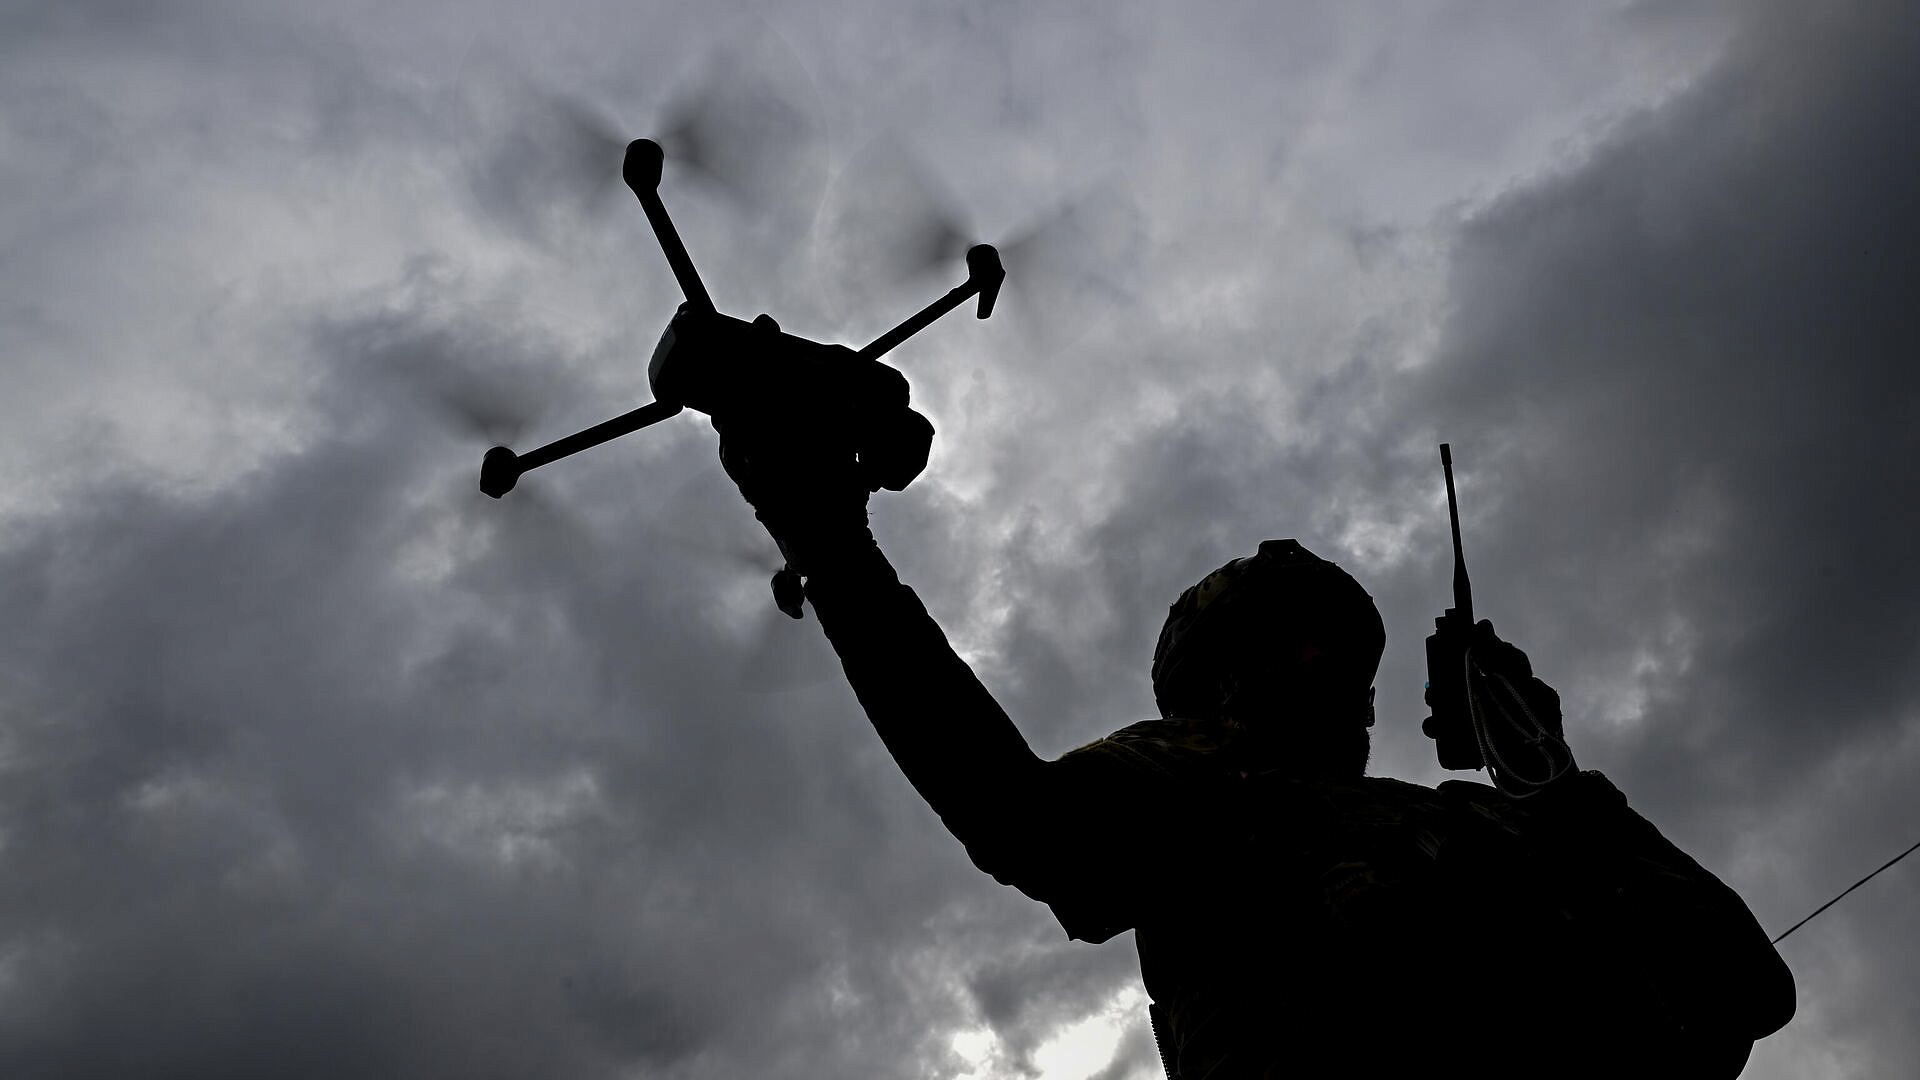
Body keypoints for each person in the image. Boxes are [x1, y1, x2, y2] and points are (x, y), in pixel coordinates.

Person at [713, 411, 1795, 1078]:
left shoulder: (1480, 819)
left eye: (1353, 656)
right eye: (1302, 642)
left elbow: (1743, 989)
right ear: (1221, 678)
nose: (1343, 674)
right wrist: (833, 546)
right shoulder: (1199, 781)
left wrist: (1552, 776)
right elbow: (1021, 819)